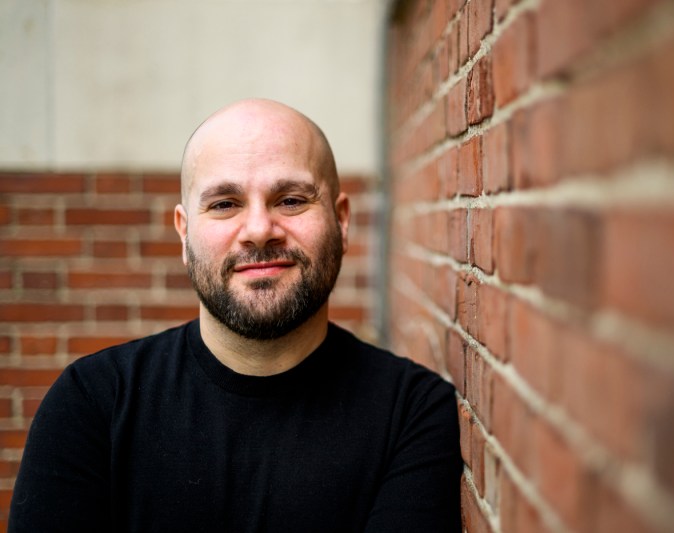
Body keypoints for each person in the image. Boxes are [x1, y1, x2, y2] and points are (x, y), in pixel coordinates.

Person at [9, 99, 462, 532]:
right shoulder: (93, 405)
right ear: (184, 235)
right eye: (225, 203)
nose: (260, 229)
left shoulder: (413, 414)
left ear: (341, 221)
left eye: (291, 199)